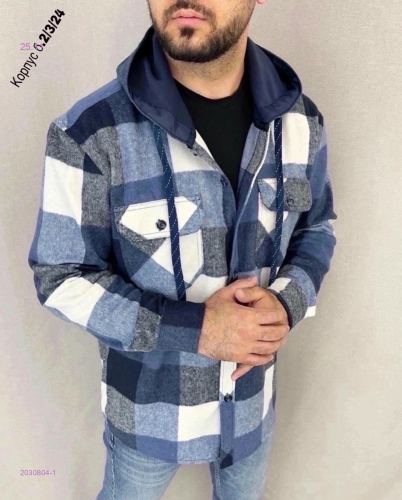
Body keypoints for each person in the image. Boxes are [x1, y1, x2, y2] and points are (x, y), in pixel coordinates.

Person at [27, 0, 337, 498]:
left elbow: (316, 228)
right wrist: (196, 328)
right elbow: (59, 276)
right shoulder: (86, 134)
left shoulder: (301, 122)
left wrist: (286, 304)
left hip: (253, 406)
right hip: (147, 418)